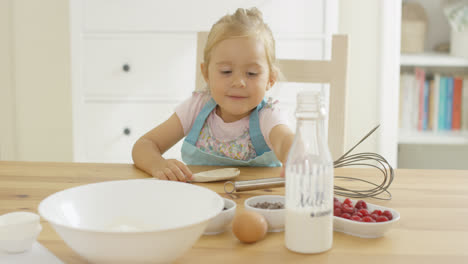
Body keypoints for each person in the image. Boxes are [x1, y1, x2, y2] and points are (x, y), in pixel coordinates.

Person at [132, 7, 295, 181]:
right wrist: (158, 164)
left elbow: (285, 140)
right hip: (201, 202)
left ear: (270, 79)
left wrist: (295, 155)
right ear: (206, 74)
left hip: (253, 201)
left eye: (252, 73)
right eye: (226, 71)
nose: (238, 82)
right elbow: (144, 145)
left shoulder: (268, 115)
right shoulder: (196, 108)